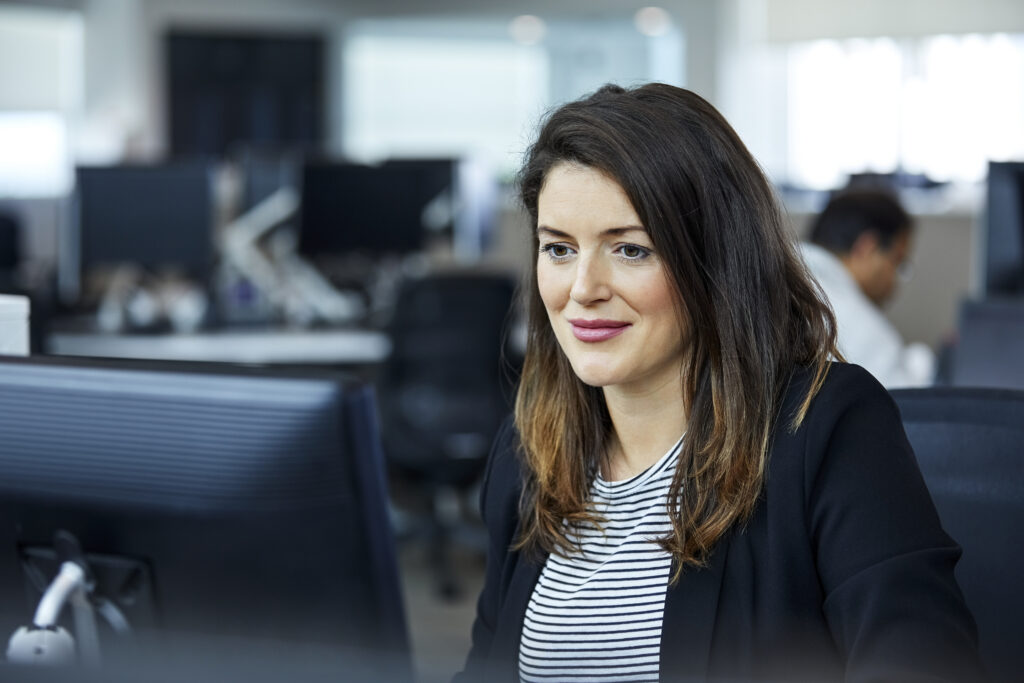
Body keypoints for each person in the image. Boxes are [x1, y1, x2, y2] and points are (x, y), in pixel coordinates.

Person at [454, 83, 983, 682]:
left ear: (714, 263)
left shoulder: (825, 430)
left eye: (629, 250)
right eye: (559, 249)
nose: (582, 289)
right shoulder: (529, 454)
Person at [801, 189, 936, 387]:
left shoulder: (770, 276)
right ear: (867, 248)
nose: (895, 282)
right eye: (897, 262)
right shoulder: (862, 329)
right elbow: (909, 405)